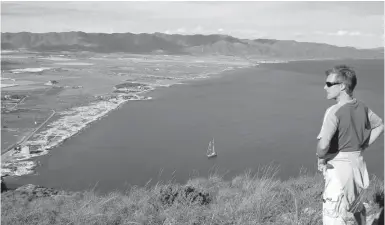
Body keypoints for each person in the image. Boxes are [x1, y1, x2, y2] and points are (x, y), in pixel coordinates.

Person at [316, 65, 384, 225]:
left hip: (338, 173)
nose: (324, 87)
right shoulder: (362, 107)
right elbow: (380, 125)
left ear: (342, 87)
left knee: (333, 216)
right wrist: (362, 145)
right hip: (357, 168)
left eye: (329, 84)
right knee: (356, 208)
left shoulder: (333, 112)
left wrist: (320, 154)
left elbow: (324, 146)